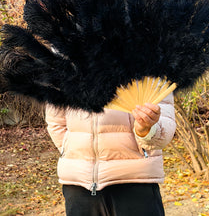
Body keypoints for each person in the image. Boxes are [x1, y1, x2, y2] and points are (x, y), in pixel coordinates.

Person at [45, 92, 176, 216]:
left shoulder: (154, 70)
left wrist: (146, 130)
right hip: (79, 187)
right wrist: (75, 152)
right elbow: (55, 123)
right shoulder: (63, 69)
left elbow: (164, 131)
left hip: (135, 184)